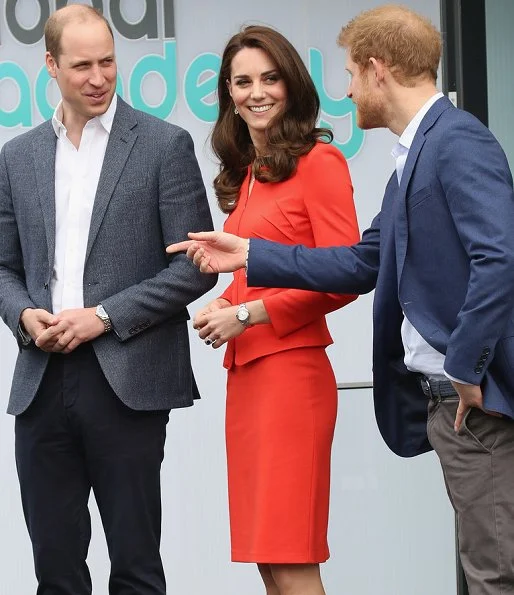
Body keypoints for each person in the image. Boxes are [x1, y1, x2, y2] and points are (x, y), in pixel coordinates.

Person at [167, 5, 514, 595]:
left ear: (377, 70)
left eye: (352, 72)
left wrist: (463, 363)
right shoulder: (410, 160)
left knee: (492, 571)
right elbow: (359, 262)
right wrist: (248, 258)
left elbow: (498, 257)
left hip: (441, 393)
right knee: (273, 560)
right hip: (375, 393)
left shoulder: (454, 142)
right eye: (242, 81)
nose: (347, 87)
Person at [0, 5, 216, 594]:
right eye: (82, 66)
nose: (98, 78)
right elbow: (4, 265)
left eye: (108, 62)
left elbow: (195, 268)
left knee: (136, 567)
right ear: (50, 65)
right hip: (41, 381)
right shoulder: (17, 157)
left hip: (128, 381)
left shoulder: (164, 145)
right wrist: (22, 312)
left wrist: (102, 317)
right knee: (55, 570)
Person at [190, 25, 359, 595]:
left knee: (291, 556)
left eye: (269, 78)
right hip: (250, 379)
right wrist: (226, 298)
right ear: (228, 94)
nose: (256, 92)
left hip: (292, 378)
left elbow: (344, 278)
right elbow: (262, 273)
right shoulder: (249, 177)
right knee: (269, 559)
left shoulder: (321, 161)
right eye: (242, 81)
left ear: (291, 85)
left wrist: (249, 315)